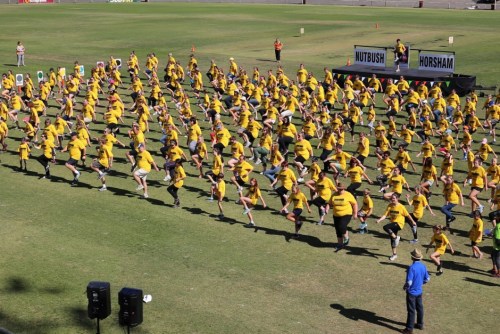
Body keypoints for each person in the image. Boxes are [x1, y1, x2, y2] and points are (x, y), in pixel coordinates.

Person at [377, 193, 417, 261]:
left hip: (399, 224)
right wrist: (379, 220)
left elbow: (407, 215)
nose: (392, 199)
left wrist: (413, 222)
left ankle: (396, 238)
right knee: (392, 240)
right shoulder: (390, 206)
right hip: (393, 224)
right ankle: (394, 254)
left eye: (394, 198)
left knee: (386, 227)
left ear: (397, 199)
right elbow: (385, 215)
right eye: (391, 198)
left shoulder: (401, 207)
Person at [401, 249, 430, 334]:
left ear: (412, 257)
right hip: (419, 291)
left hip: (411, 293)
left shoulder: (411, 268)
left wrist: (405, 286)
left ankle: (409, 329)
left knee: (411, 310)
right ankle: (420, 324)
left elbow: (409, 282)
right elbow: (427, 279)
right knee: (420, 308)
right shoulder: (423, 266)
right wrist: (421, 283)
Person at [326, 183, 358, 251]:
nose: (340, 190)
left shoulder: (348, 195)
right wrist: (327, 208)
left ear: (344, 189)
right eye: (339, 189)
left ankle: (346, 237)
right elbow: (329, 203)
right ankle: (340, 244)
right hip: (336, 215)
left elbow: (354, 204)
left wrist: (355, 213)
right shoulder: (334, 195)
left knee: (342, 226)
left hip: (347, 214)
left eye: (341, 189)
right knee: (338, 229)